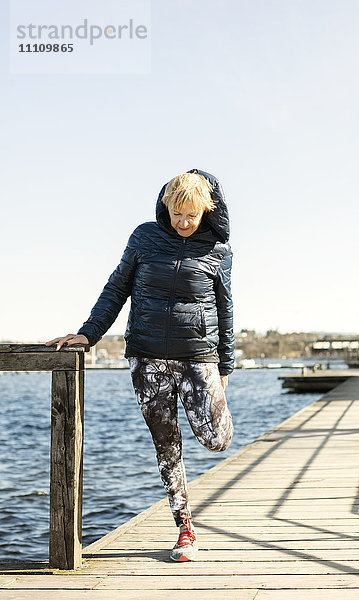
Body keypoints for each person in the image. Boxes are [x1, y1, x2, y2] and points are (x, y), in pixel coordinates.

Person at [45, 168, 234, 562]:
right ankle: (185, 529)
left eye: (191, 216)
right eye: (176, 213)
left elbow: (225, 308)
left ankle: (203, 411)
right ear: (166, 207)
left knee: (216, 439)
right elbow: (117, 286)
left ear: (206, 211)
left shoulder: (219, 251)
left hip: (198, 357)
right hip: (147, 358)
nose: (183, 223)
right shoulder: (144, 237)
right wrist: (89, 333)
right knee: (167, 446)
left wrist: (225, 367)